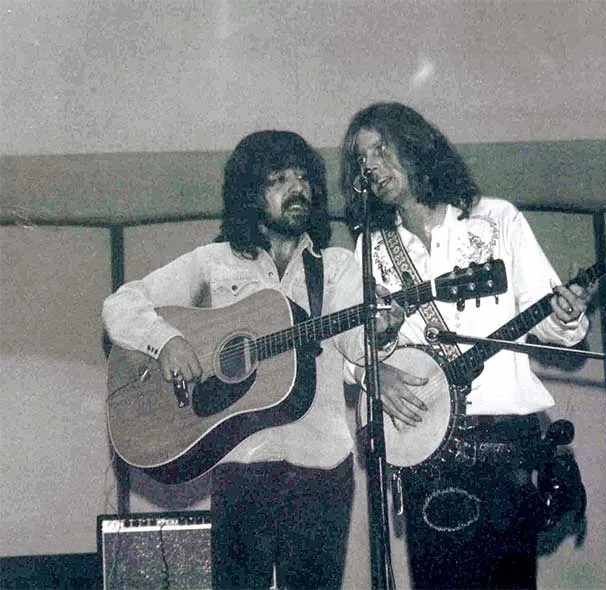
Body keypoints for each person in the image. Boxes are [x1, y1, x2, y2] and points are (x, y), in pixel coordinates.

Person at [102, 130, 402, 590]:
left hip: (321, 469)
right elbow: (120, 306)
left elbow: (357, 349)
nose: (297, 188)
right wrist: (166, 342)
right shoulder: (212, 263)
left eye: (303, 178)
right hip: (240, 468)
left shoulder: (339, 267)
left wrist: (383, 329)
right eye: (279, 179)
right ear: (250, 194)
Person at [340, 102, 592, 589]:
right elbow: (355, 349)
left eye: (381, 149)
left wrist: (567, 314)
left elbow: (558, 328)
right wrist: (377, 359)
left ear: (415, 147)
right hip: (429, 452)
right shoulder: (369, 246)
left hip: (508, 443)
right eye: (361, 159)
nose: (370, 165)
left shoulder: (496, 219)